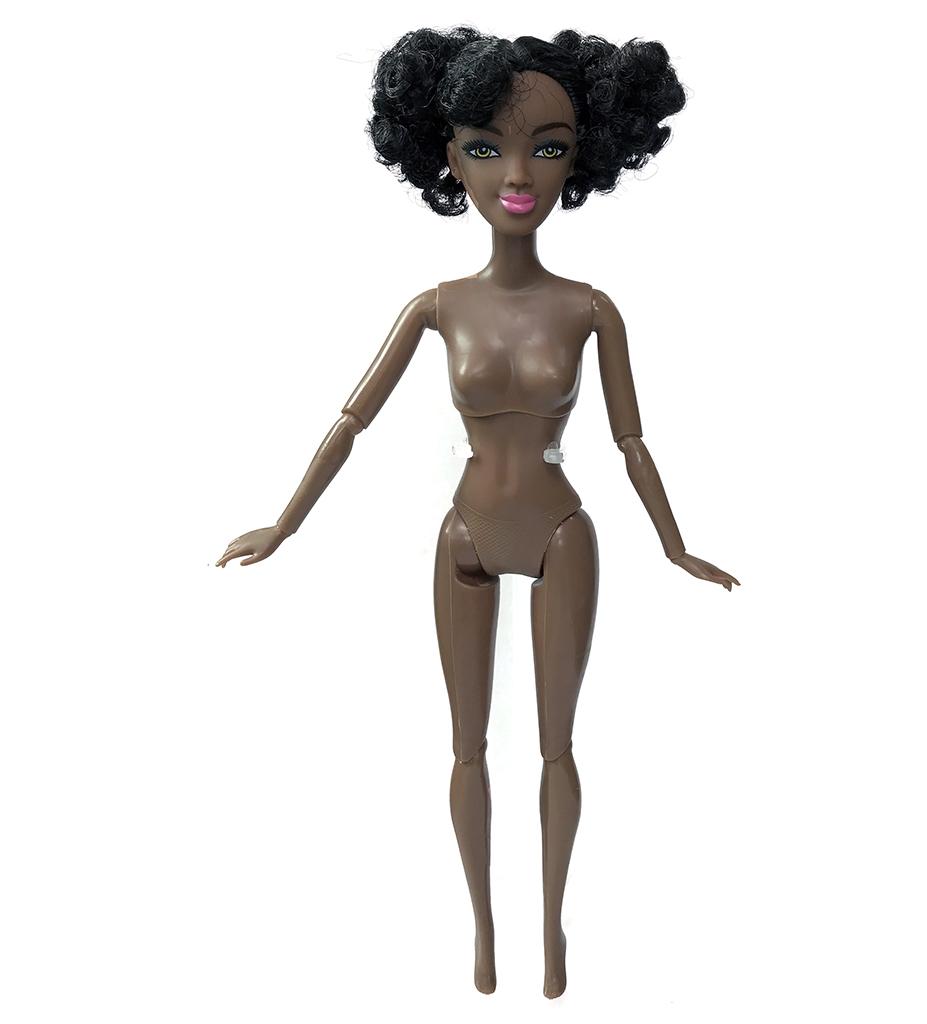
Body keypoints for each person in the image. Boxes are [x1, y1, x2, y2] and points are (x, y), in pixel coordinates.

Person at [217, 27, 739, 998]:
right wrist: (284, 524)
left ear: (583, 157)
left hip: (558, 532)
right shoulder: (436, 305)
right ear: (448, 159)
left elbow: (632, 443)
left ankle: (552, 930)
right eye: (486, 146)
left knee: (555, 747)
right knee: (466, 749)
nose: (518, 174)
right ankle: (485, 934)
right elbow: (352, 420)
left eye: (549, 146)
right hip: (464, 532)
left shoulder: (590, 309)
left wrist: (676, 547)